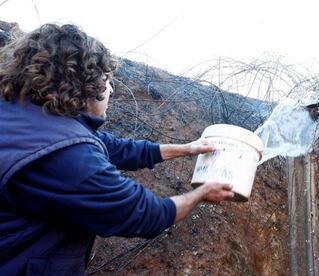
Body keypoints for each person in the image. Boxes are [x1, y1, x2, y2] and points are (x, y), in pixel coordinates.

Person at [0, 23, 234, 275]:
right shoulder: (67, 156)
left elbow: (114, 148)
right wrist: (200, 194)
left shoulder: (22, 115)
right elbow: (144, 214)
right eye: (106, 80)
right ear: (84, 83)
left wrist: (187, 149)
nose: (110, 89)